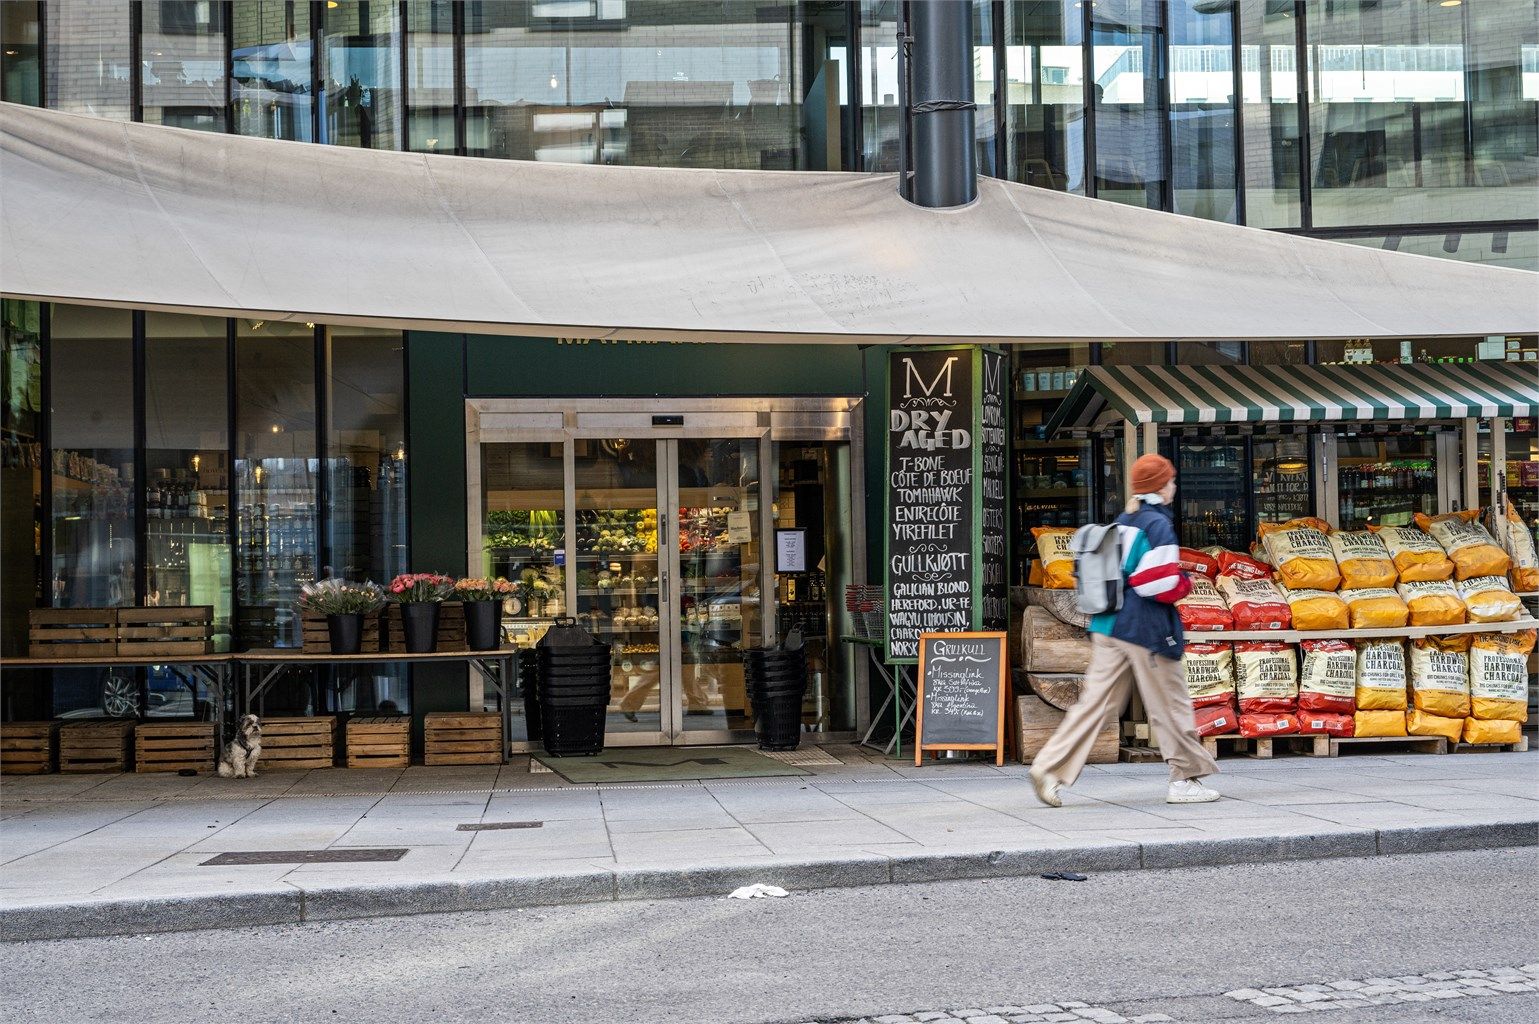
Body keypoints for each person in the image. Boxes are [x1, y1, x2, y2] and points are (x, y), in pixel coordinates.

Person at [1028, 453, 1221, 806]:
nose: (1174, 486)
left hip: (1108, 624)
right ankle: (1184, 780)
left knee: (1095, 705)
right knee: (1171, 705)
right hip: (1145, 629)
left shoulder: (1124, 519)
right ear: (1160, 487)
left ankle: (1049, 768)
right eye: (1171, 480)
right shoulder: (1157, 524)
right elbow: (1156, 582)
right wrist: (1185, 583)